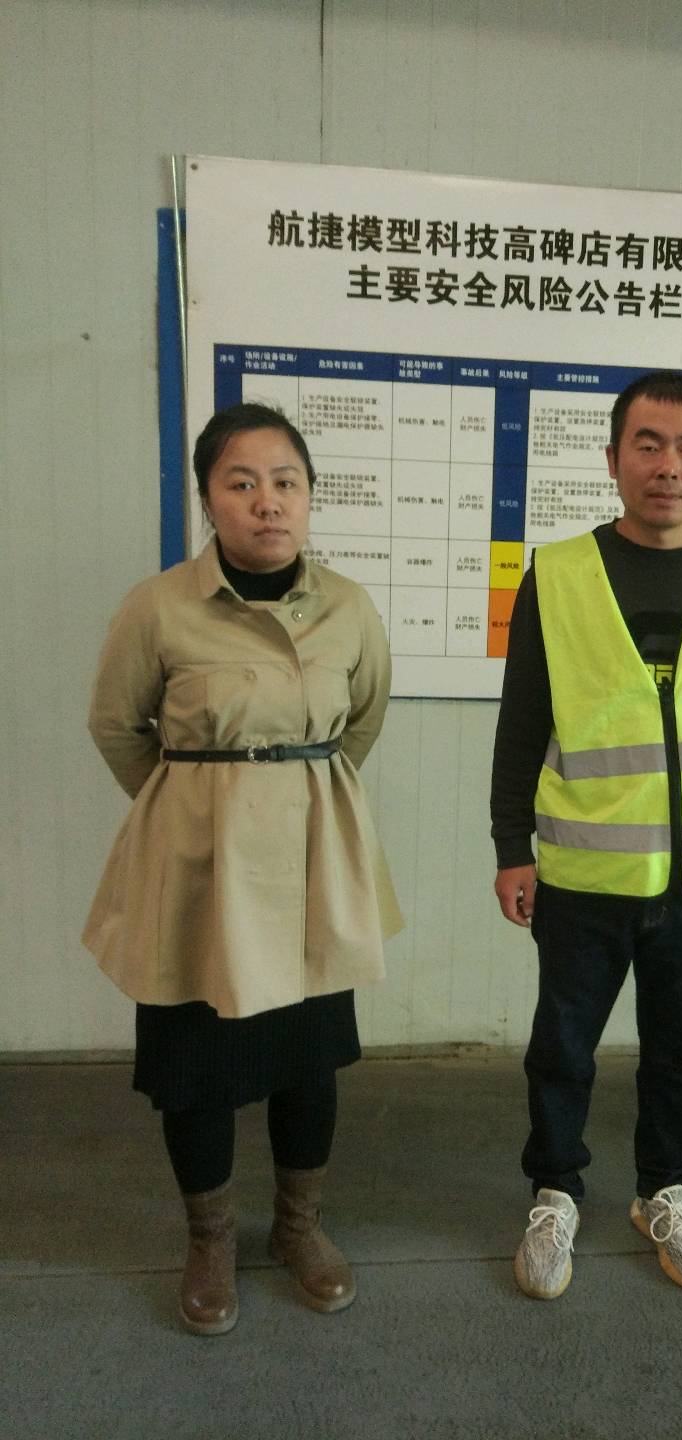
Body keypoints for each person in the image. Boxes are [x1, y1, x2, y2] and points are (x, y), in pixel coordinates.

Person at [84, 402, 402, 1335]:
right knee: (194, 1066)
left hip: (311, 867)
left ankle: (298, 1228)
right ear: (209, 500)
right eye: (243, 482)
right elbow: (117, 727)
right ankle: (211, 1240)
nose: (269, 501)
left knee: (310, 1061)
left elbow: (363, 720)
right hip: (197, 872)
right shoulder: (158, 606)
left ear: (308, 497)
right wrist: (197, 805)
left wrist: (298, 798)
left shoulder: (348, 606)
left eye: (286, 482)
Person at [491, 371, 682, 1300]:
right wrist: (510, 845)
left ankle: (663, 1193)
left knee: (680, 1053)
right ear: (614, 458)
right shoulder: (558, 574)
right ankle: (554, 1193)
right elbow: (522, 719)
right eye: (648, 444)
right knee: (562, 1049)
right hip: (582, 873)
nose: (668, 465)